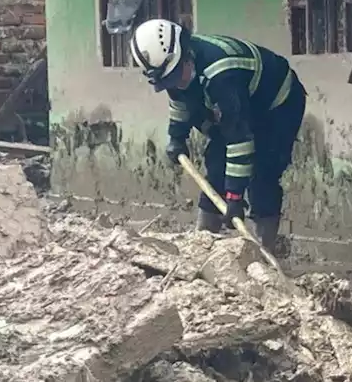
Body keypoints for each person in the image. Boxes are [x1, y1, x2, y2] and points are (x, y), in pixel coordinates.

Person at [130, 19, 307, 251]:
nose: (177, 84)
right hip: (238, 104)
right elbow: (180, 101)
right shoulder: (177, 71)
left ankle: (264, 251)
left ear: (186, 54)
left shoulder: (222, 74)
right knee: (216, 167)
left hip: (277, 104)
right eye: (168, 82)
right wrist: (177, 136)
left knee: (263, 174)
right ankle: (200, 245)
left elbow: (239, 140)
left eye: (176, 77)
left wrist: (234, 197)